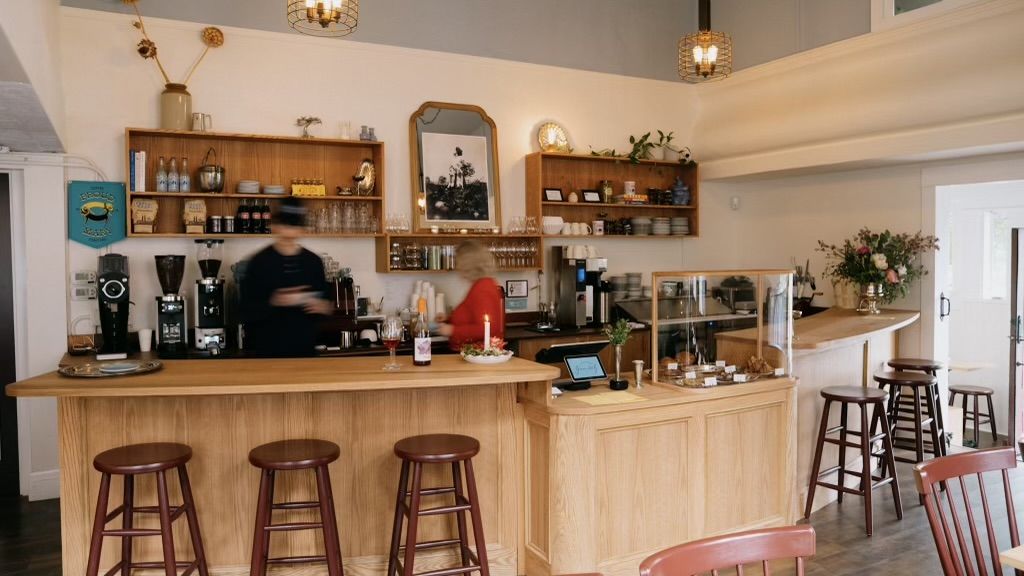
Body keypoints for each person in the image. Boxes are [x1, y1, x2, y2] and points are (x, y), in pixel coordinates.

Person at [241, 197, 333, 357]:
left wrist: (321, 306)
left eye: (294, 226)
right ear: (274, 226)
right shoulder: (259, 262)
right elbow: (245, 311)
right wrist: (274, 301)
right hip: (269, 354)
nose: (289, 232)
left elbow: (326, 306)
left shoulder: (313, 262)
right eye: (284, 225)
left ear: (302, 230)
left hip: (305, 352)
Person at [438, 240, 504, 350]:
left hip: (479, 355)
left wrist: (452, 330)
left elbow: (487, 328)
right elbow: (471, 317)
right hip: (473, 354)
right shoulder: (482, 284)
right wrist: (448, 319)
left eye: (458, 262)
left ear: (467, 264)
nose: (457, 267)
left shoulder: (482, 288)